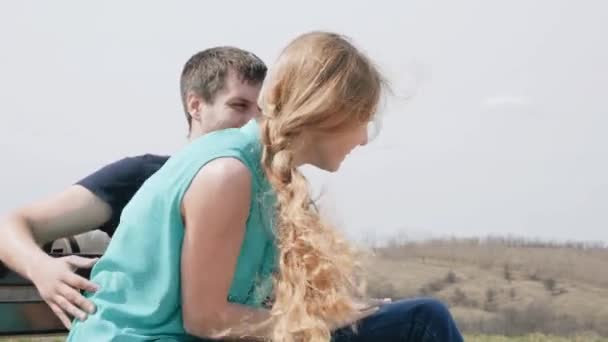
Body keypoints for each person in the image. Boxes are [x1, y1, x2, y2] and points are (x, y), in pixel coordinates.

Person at [65, 31, 465, 341]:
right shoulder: (227, 174)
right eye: (362, 118)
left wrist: (339, 312)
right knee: (421, 323)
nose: (363, 138)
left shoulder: (267, 172)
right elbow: (207, 318)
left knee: (412, 322)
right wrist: (324, 321)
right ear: (328, 110)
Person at [0, 46, 268, 329]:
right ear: (195, 105)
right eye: (239, 106)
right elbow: (12, 225)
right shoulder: (143, 176)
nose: (254, 121)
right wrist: (41, 268)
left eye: (261, 111)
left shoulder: (267, 189)